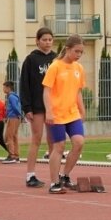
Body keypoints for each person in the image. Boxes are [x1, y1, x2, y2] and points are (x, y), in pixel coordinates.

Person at [42, 34, 87, 193]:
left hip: (72, 113)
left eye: (81, 52)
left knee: (79, 143)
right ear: (67, 49)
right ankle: (54, 183)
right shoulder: (55, 66)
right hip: (56, 114)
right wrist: (48, 111)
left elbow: (78, 92)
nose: (79, 55)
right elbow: (46, 91)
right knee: (59, 147)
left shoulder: (79, 68)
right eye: (76, 51)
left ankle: (65, 175)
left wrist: (82, 109)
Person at [20, 27, 57, 187]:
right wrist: (27, 107)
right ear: (37, 40)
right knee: (36, 138)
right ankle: (30, 175)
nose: (47, 43)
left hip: (53, 106)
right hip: (36, 106)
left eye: (50, 39)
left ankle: (54, 176)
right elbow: (24, 84)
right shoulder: (31, 60)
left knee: (53, 140)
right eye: (44, 40)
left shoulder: (57, 59)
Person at [2, 81, 23, 163]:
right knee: (14, 136)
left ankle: (12, 155)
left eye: (4, 87)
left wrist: (18, 114)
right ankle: (16, 155)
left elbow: (14, 107)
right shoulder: (13, 96)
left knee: (8, 136)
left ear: (8, 87)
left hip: (13, 117)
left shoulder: (11, 97)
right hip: (15, 117)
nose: (3, 89)